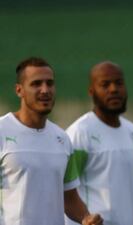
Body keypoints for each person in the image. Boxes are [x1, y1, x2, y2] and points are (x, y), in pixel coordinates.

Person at [0, 57, 102, 225]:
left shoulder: (62, 139)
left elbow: (69, 198)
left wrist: (86, 218)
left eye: (50, 83)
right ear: (19, 90)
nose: (45, 90)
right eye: (36, 84)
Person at [64, 61, 133, 225]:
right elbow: (67, 194)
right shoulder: (79, 133)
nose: (114, 89)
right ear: (92, 91)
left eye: (119, 83)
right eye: (105, 84)